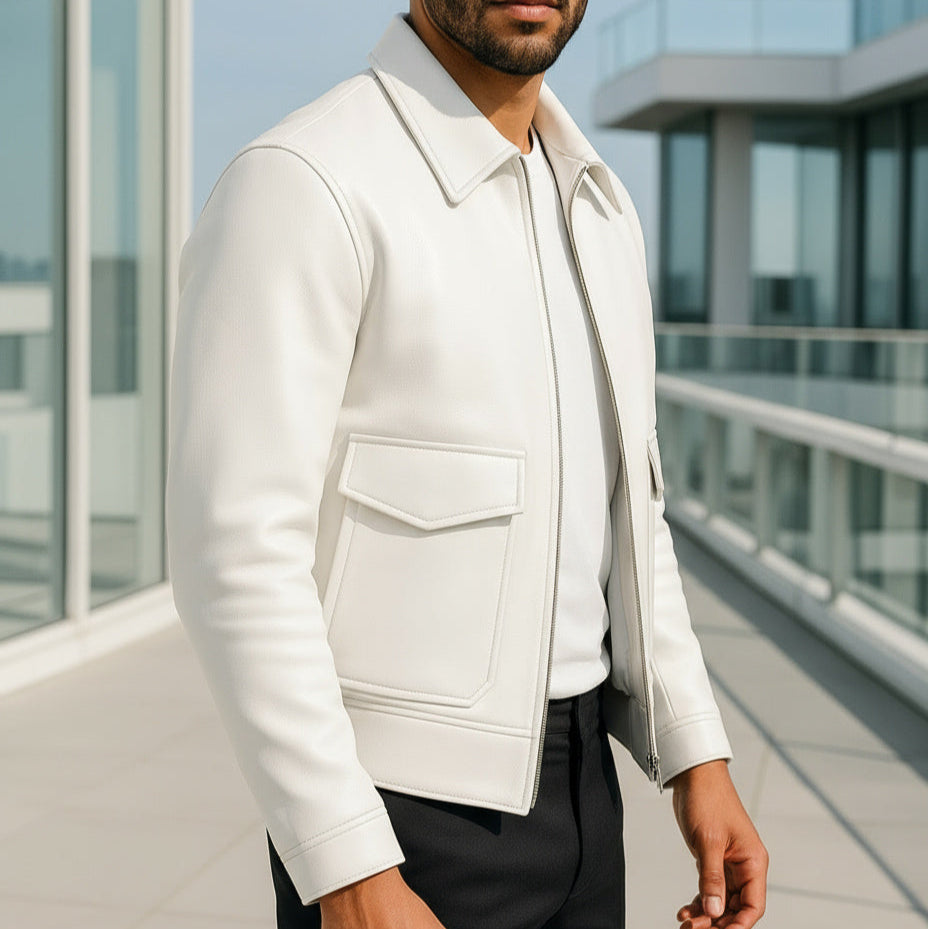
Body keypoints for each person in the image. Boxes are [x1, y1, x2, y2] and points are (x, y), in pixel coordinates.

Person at [165, 2, 769, 928]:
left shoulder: (598, 203)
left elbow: (631, 507)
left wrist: (696, 751)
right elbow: (233, 553)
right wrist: (346, 861)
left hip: (585, 796)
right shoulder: (303, 181)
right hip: (401, 820)